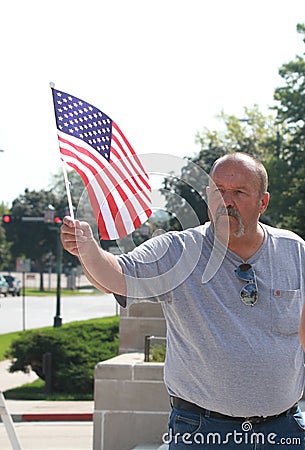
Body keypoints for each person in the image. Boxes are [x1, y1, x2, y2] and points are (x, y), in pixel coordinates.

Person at [61, 152, 305, 449]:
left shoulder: (294, 251)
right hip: (202, 431)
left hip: (285, 429)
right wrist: (89, 250)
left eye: (239, 192)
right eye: (218, 191)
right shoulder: (177, 251)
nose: (226, 201)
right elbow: (116, 276)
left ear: (262, 202)